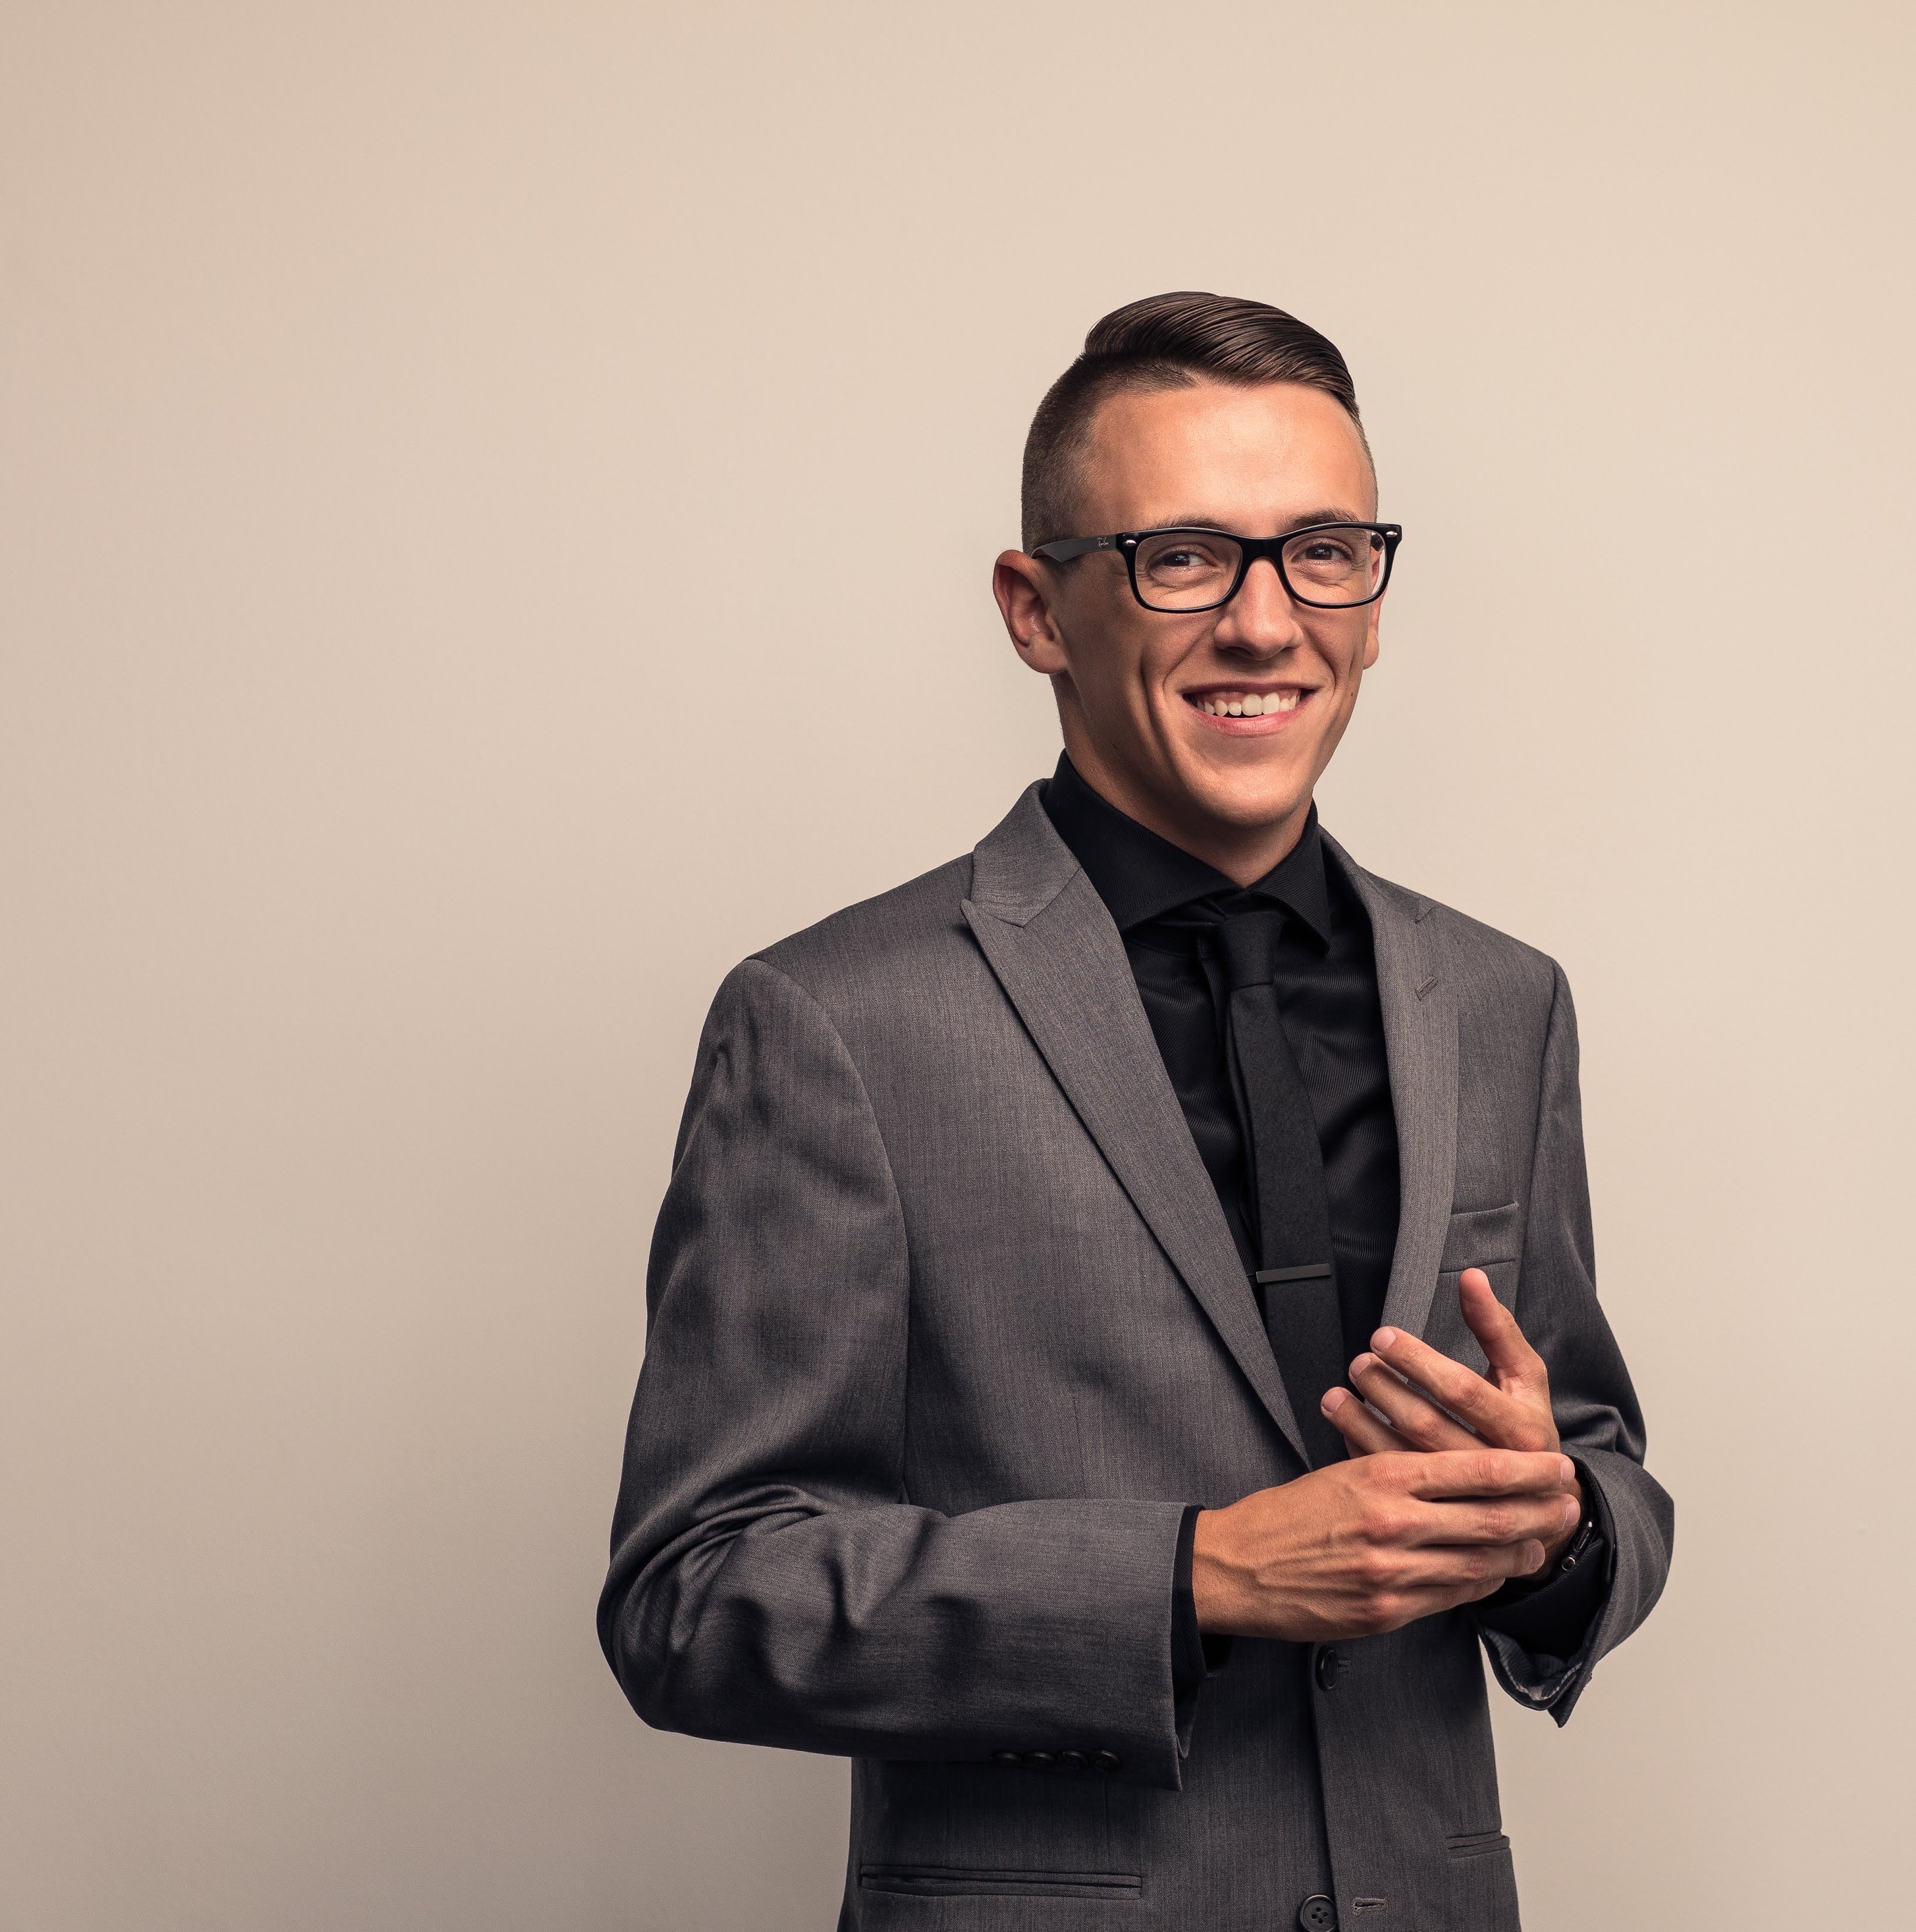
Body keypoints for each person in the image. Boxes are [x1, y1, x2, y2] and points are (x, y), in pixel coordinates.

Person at [599, 292, 1672, 1931]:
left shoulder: (1502, 999)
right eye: (1181, 556)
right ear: (1036, 610)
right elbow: (695, 1591)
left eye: (1322, 551)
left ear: (1374, 602)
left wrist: (1561, 1533)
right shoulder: (835, 1020)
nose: (1264, 621)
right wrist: (1194, 1578)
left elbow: (1594, 1452)